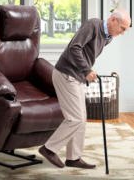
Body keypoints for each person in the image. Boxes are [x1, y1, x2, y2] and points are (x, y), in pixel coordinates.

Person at [39, 9, 131, 169]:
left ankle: (73, 158)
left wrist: (85, 72)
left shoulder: (108, 37)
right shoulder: (92, 25)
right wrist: (87, 70)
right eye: (122, 28)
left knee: (82, 120)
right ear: (113, 20)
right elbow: (74, 48)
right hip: (66, 73)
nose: (122, 33)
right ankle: (49, 149)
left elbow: (87, 53)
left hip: (77, 76)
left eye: (125, 30)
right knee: (75, 118)